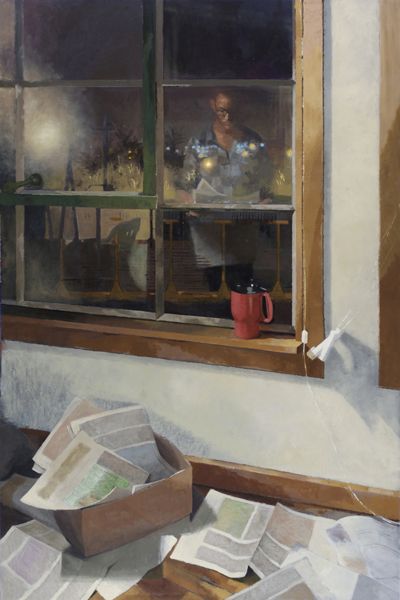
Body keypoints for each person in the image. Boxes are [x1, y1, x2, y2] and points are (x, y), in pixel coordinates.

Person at [177, 91, 274, 205]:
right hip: (207, 213)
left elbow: (267, 182)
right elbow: (185, 184)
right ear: (213, 105)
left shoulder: (253, 140)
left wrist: (266, 201)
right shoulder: (198, 142)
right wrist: (186, 198)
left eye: (232, 111)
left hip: (247, 213)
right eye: (222, 111)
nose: (228, 117)